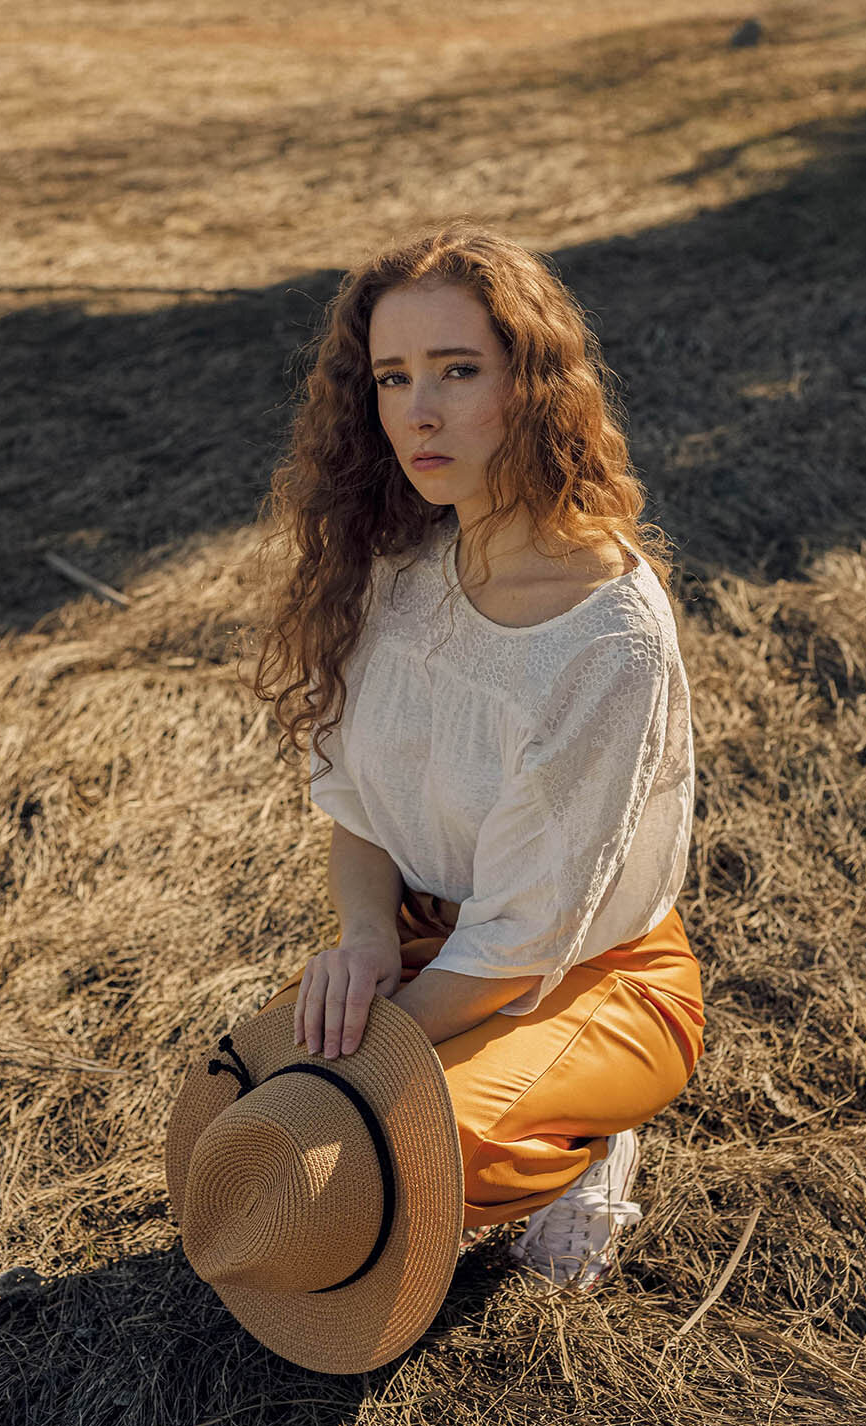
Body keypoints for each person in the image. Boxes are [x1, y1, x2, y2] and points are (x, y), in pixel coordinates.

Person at [240, 218, 704, 1292]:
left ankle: (586, 1141)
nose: (421, 411)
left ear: (531, 385)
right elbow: (352, 797)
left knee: (381, 1151)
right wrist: (361, 941)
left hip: (585, 969)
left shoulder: (604, 632)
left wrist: (367, 1059)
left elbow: (523, 934)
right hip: (425, 945)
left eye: (458, 369)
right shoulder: (399, 562)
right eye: (393, 377)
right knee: (253, 1118)